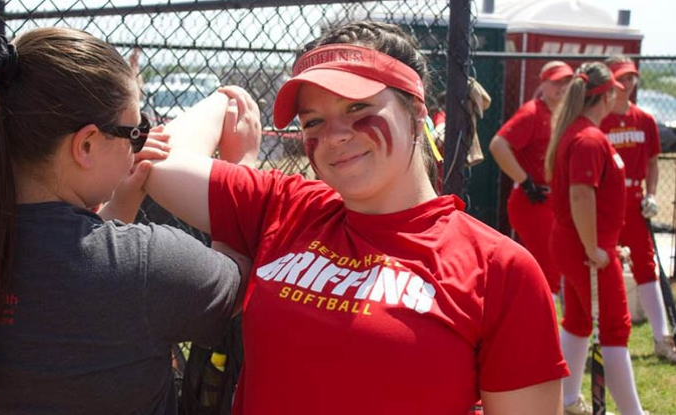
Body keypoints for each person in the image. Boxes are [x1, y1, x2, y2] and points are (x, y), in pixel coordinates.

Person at [142, 21, 569, 414]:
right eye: (313, 121)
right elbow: (154, 162)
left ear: (416, 109)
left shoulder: (499, 270)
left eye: (357, 108)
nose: (333, 136)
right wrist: (228, 100)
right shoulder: (285, 206)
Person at [0, 28, 249, 414]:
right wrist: (240, 170)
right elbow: (241, 277)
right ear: (85, 145)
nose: (138, 147)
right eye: (134, 133)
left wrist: (122, 198)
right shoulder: (150, 264)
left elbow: (67, 276)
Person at [545, 61, 648, 415]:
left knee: (578, 322)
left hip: (581, 244)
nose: (622, 95)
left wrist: (603, 242)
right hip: (586, 249)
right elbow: (580, 196)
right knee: (615, 329)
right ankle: (632, 412)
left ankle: (567, 400)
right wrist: (594, 248)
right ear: (604, 96)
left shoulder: (580, 132)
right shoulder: (588, 137)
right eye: (616, 90)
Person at [600, 56, 676, 363]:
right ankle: (603, 336)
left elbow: (653, 161)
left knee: (646, 267)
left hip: (635, 201)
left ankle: (662, 339)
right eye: (621, 78)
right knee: (605, 265)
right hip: (607, 201)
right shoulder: (600, 120)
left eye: (631, 77)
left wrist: (652, 194)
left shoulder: (644, 119)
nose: (627, 84)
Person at [488, 60, 573, 297]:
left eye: (567, 82)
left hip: (555, 201)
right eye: (556, 82)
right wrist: (526, 182)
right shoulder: (532, 112)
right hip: (534, 201)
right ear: (543, 83)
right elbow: (498, 145)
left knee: (553, 268)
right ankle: (544, 317)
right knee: (549, 269)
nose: (562, 87)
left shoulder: (565, 115)